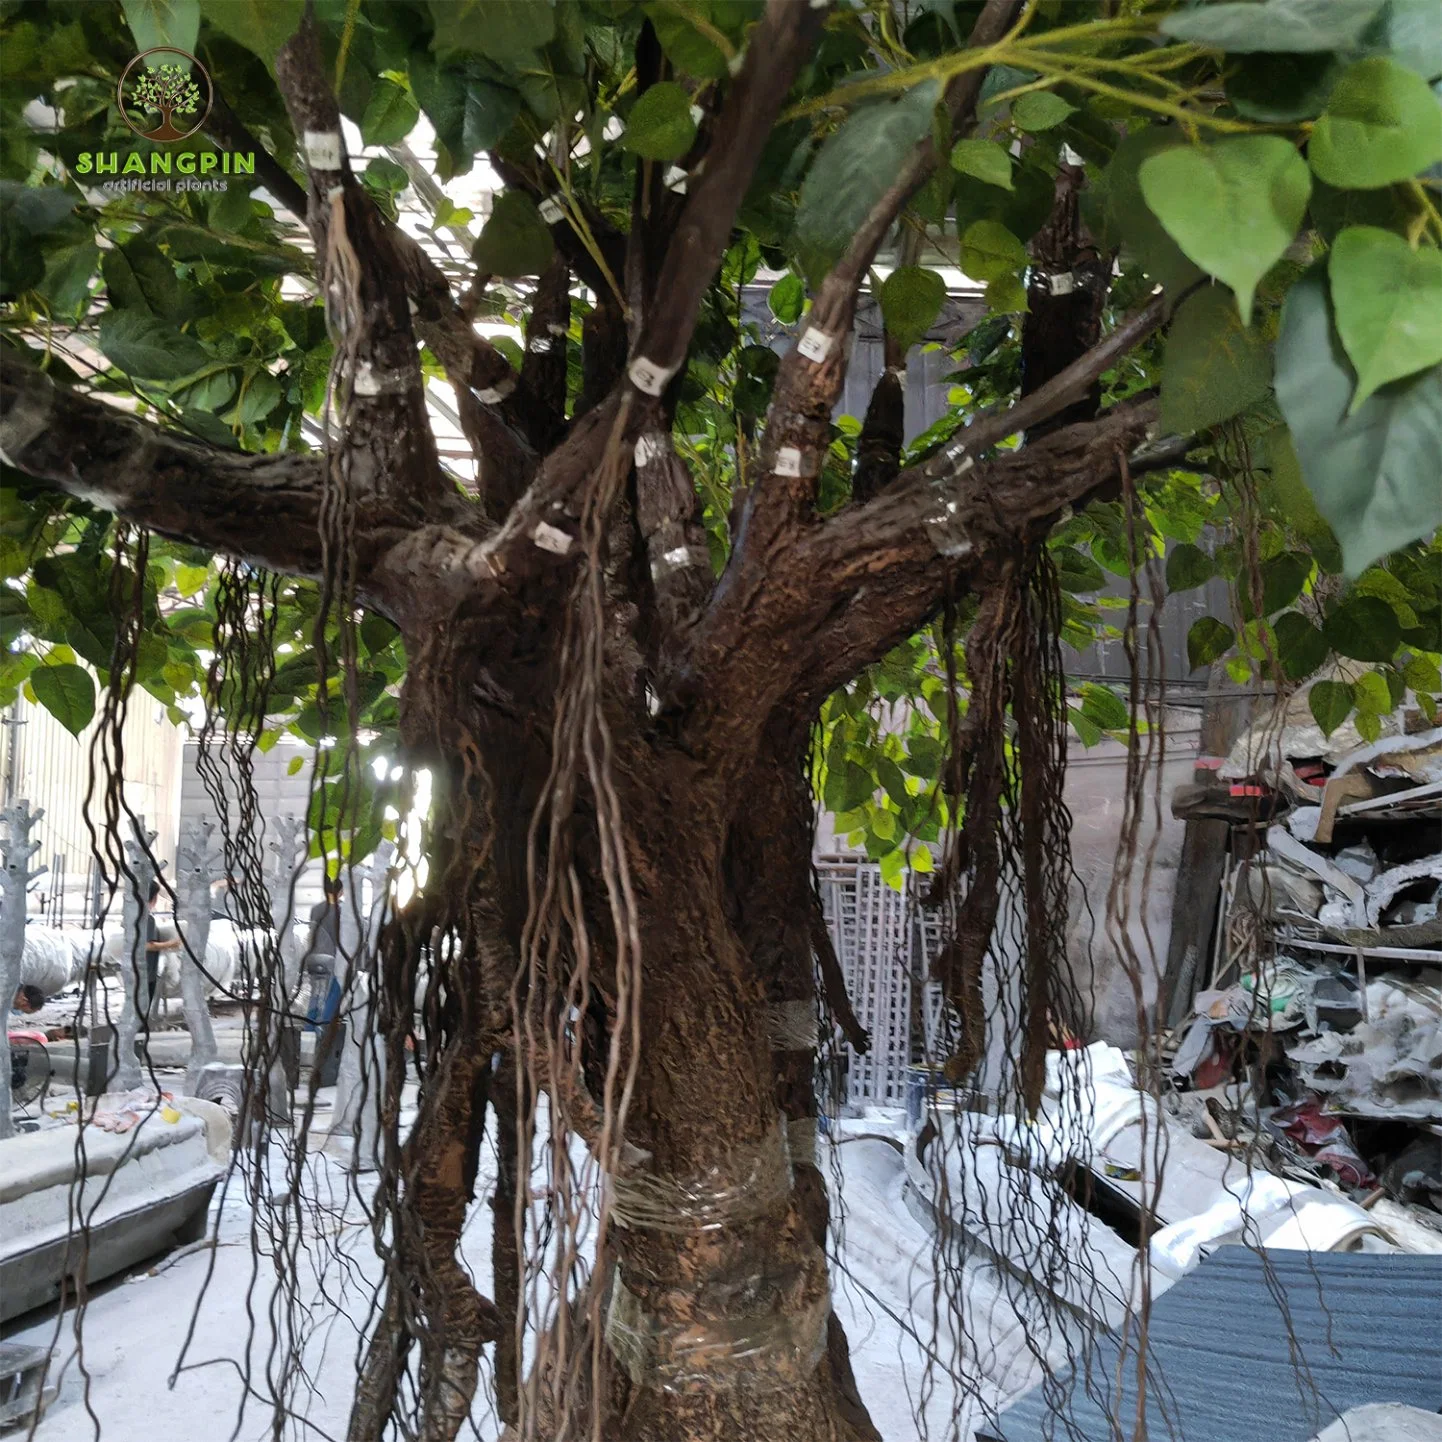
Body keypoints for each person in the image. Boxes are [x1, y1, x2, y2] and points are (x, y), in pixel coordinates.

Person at [304, 876, 343, 1028]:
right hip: (331, 959)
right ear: (340, 891)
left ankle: (309, 1030)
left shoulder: (315, 909)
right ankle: (325, 1029)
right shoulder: (341, 911)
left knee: (315, 995)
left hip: (313, 958)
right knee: (333, 995)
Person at [144, 878, 181, 1015]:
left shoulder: (130, 916)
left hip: (132, 971)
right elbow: (146, 945)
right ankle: (139, 1034)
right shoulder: (147, 919)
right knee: (143, 1009)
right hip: (146, 973)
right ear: (153, 899)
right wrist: (172, 944)